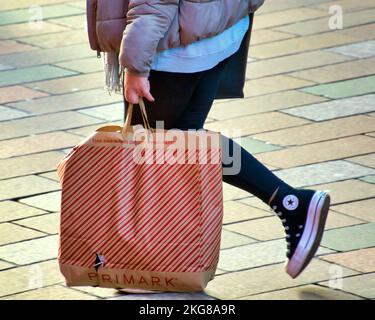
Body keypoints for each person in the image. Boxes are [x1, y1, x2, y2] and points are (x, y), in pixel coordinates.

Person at [90, 0, 331, 279]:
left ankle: (147, 268)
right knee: (184, 143)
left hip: (172, 48)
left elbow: (154, 4)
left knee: (152, 148)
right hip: (215, 31)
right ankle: (290, 203)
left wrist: (136, 65)